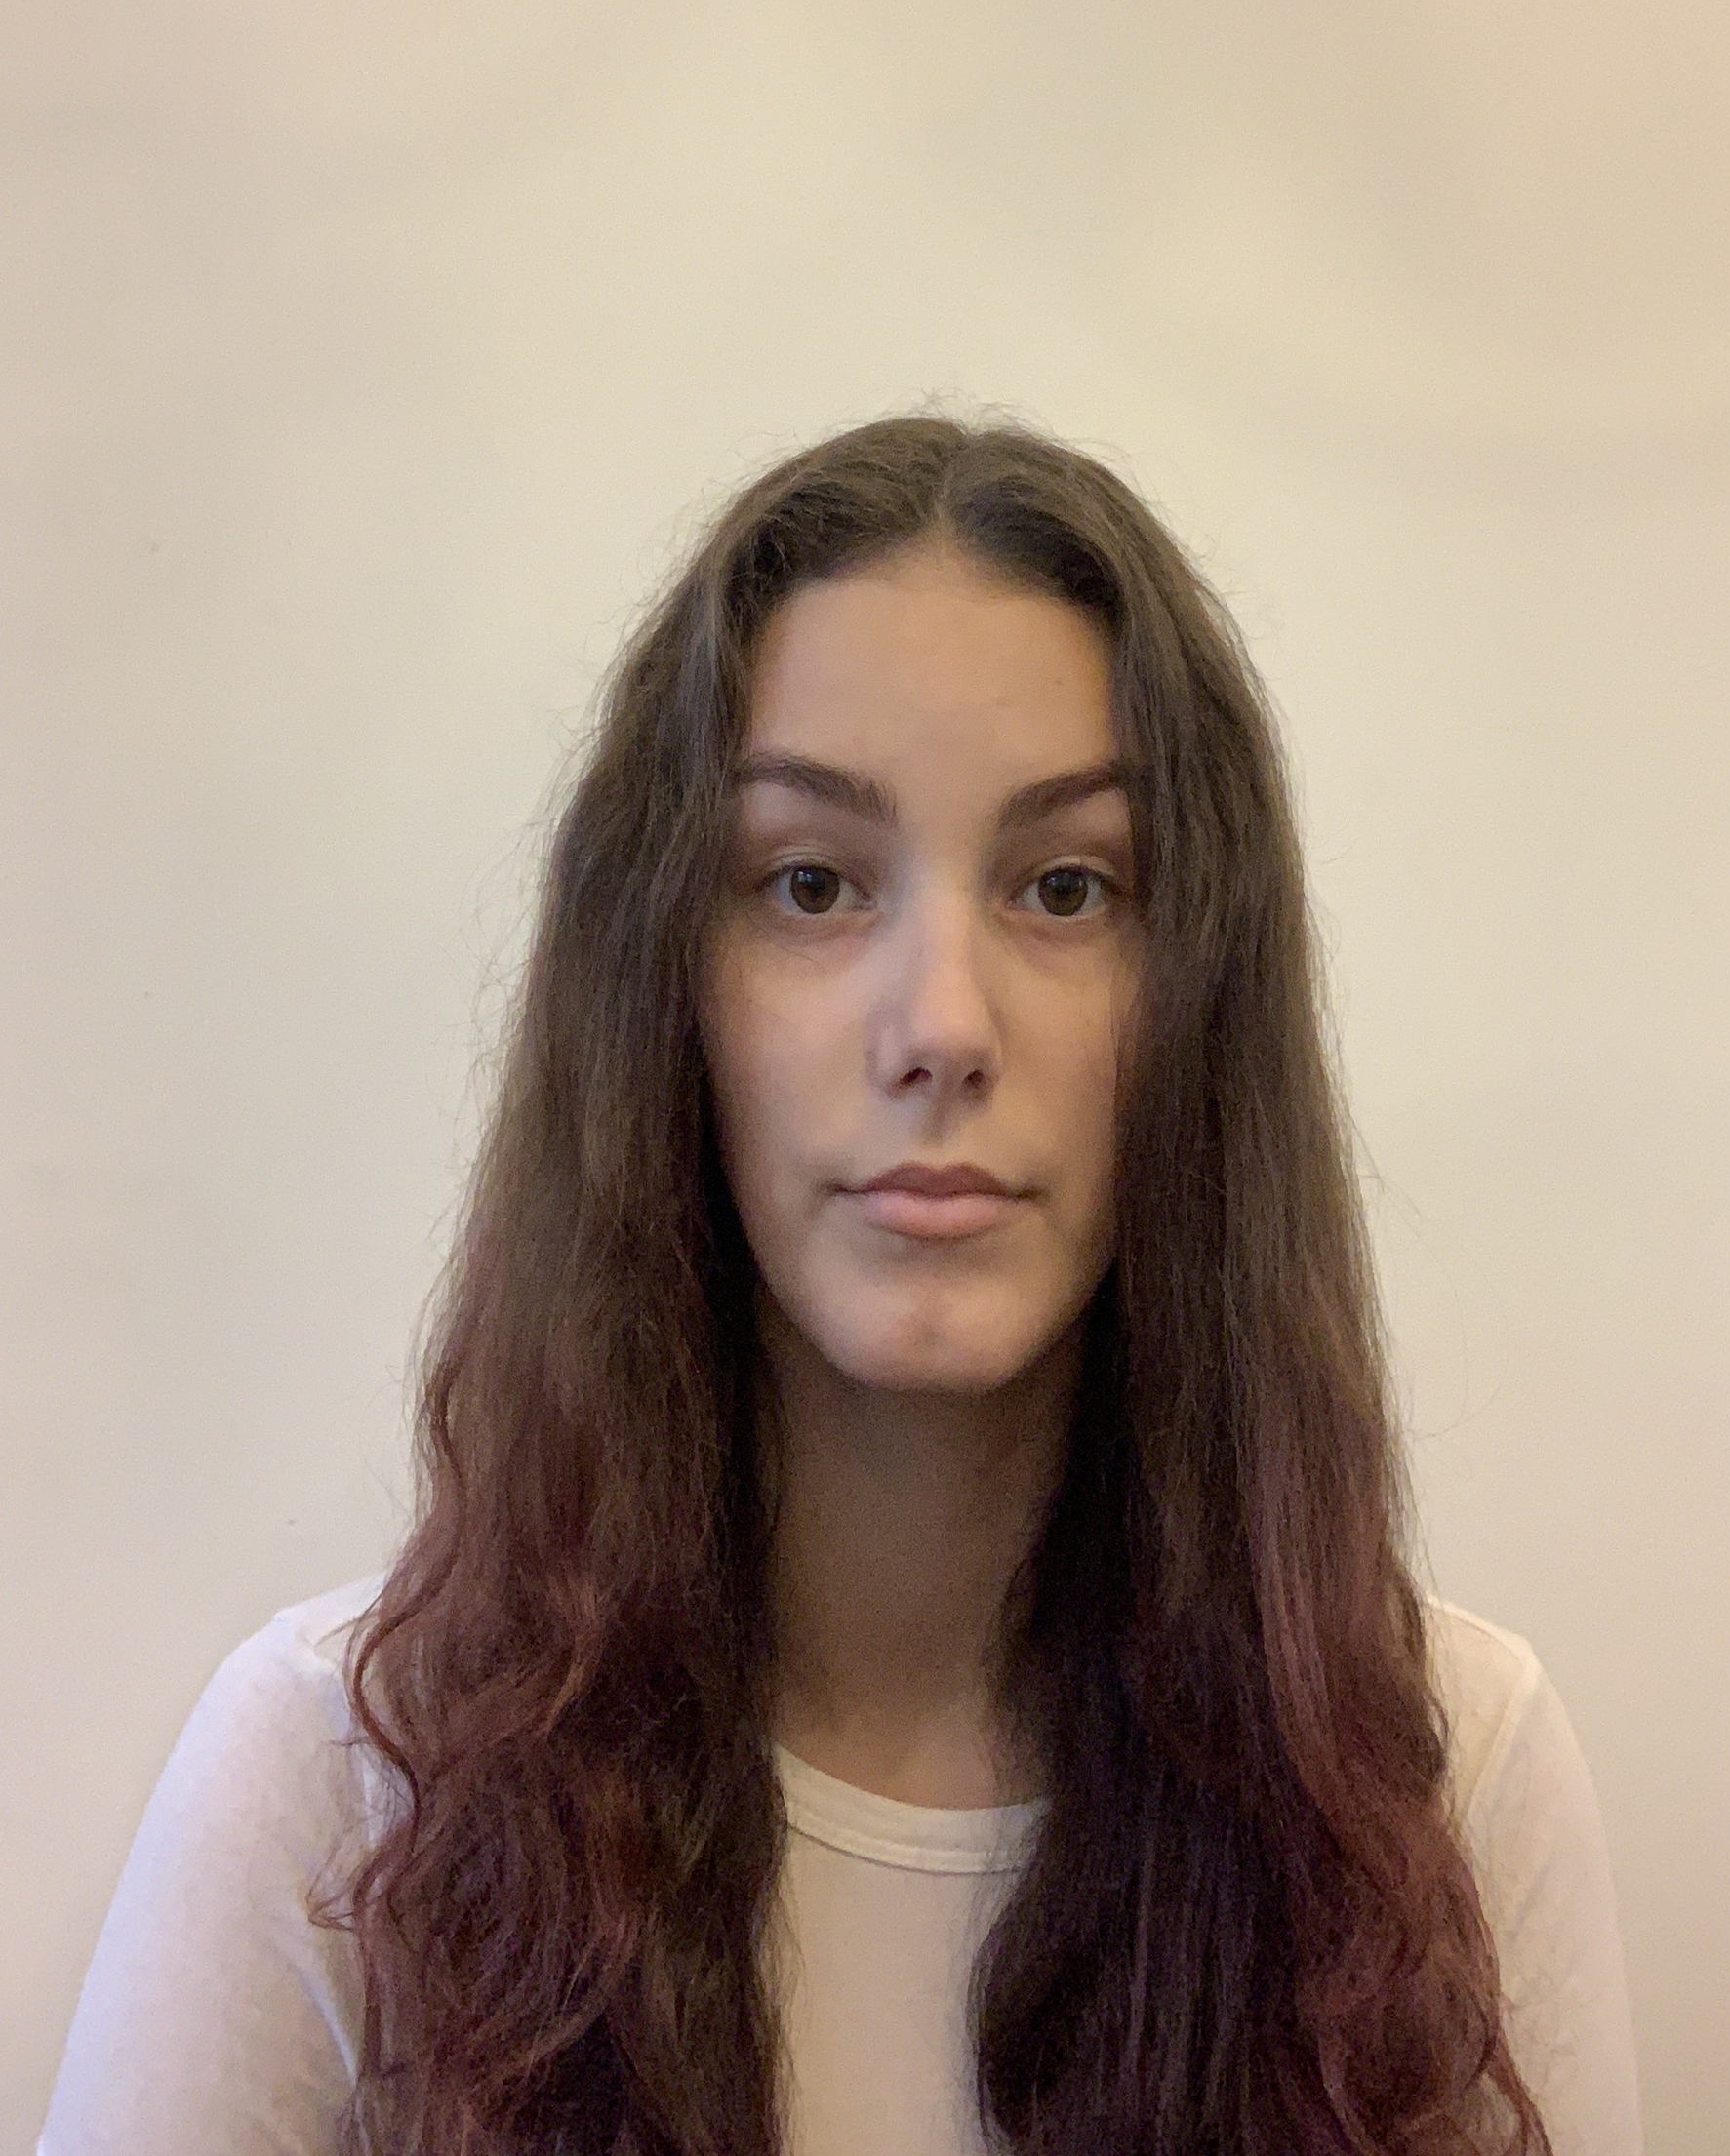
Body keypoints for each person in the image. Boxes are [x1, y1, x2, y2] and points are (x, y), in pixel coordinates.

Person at [39, 414, 1643, 2156]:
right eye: (810, 884)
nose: (941, 1025)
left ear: (1202, 1000)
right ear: (662, 988)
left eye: (1066, 888)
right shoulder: (342, 1789)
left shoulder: (1440, 1786)